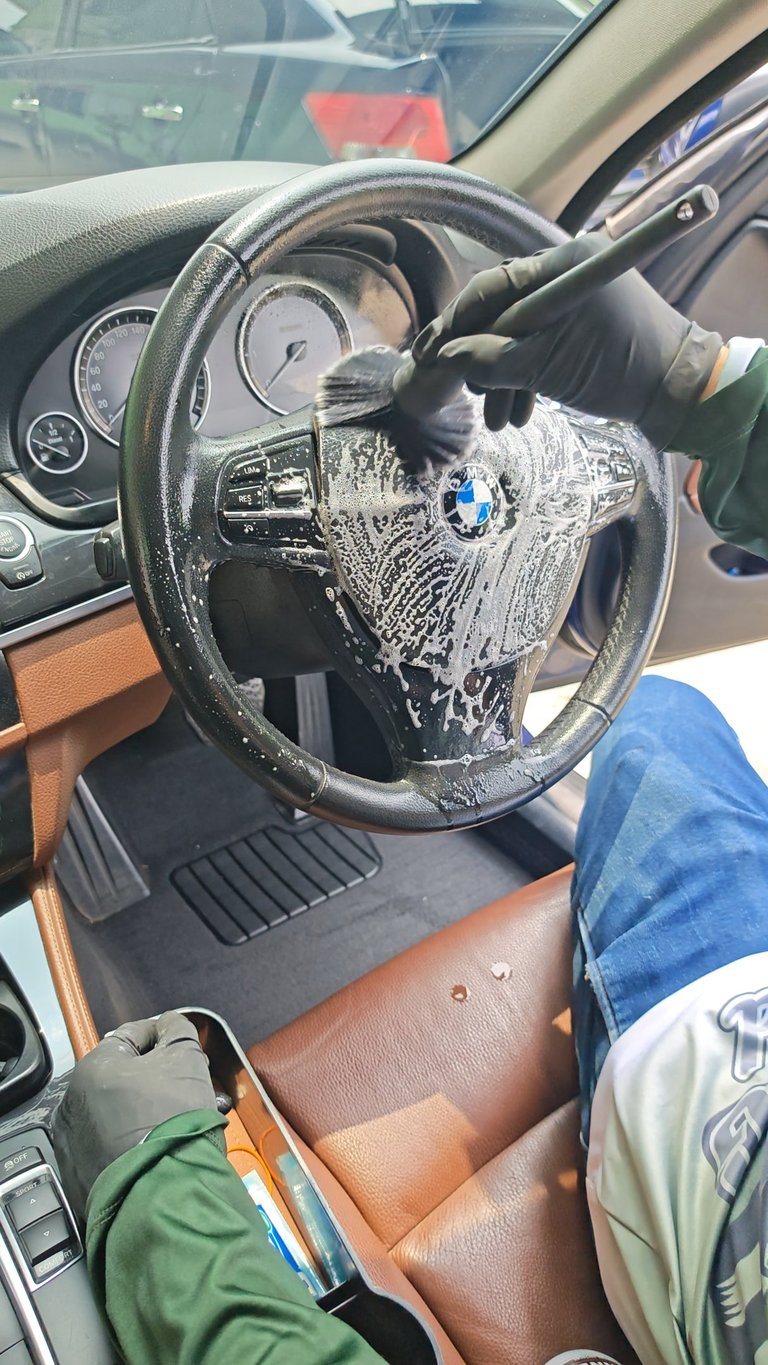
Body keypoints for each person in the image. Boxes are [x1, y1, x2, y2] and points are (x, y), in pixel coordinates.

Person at [53, 234, 768, 1365]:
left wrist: (158, 1205)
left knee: (656, 722)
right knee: (664, 713)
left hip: (715, 1147)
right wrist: (710, 389)